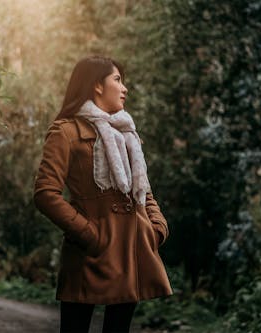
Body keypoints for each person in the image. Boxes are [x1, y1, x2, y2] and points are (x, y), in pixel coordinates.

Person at [33, 55, 173, 333]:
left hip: (133, 248)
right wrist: (89, 234)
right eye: (117, 80)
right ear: (97, 85)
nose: (125, 88)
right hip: (92, 252)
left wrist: (157, 228)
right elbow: (45, 193)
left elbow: (142, 190)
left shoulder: (126, 132)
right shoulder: (66, 131)